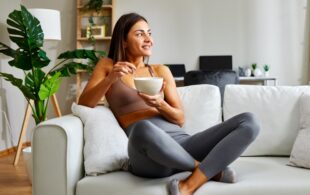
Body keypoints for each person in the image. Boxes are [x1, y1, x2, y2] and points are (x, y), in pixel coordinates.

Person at [78, 12, 260, 195]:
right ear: (123, 40)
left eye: (149, 33)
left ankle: (189, 185)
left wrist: (160, 104)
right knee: (143, 127)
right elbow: (85, 103)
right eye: (140, 34)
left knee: (249, 121)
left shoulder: (160, 70)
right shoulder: (108, 66)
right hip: (147, 154)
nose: (148, 39)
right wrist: (110, 79)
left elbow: (180, 119)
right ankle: (207, 170)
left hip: (183, 144)